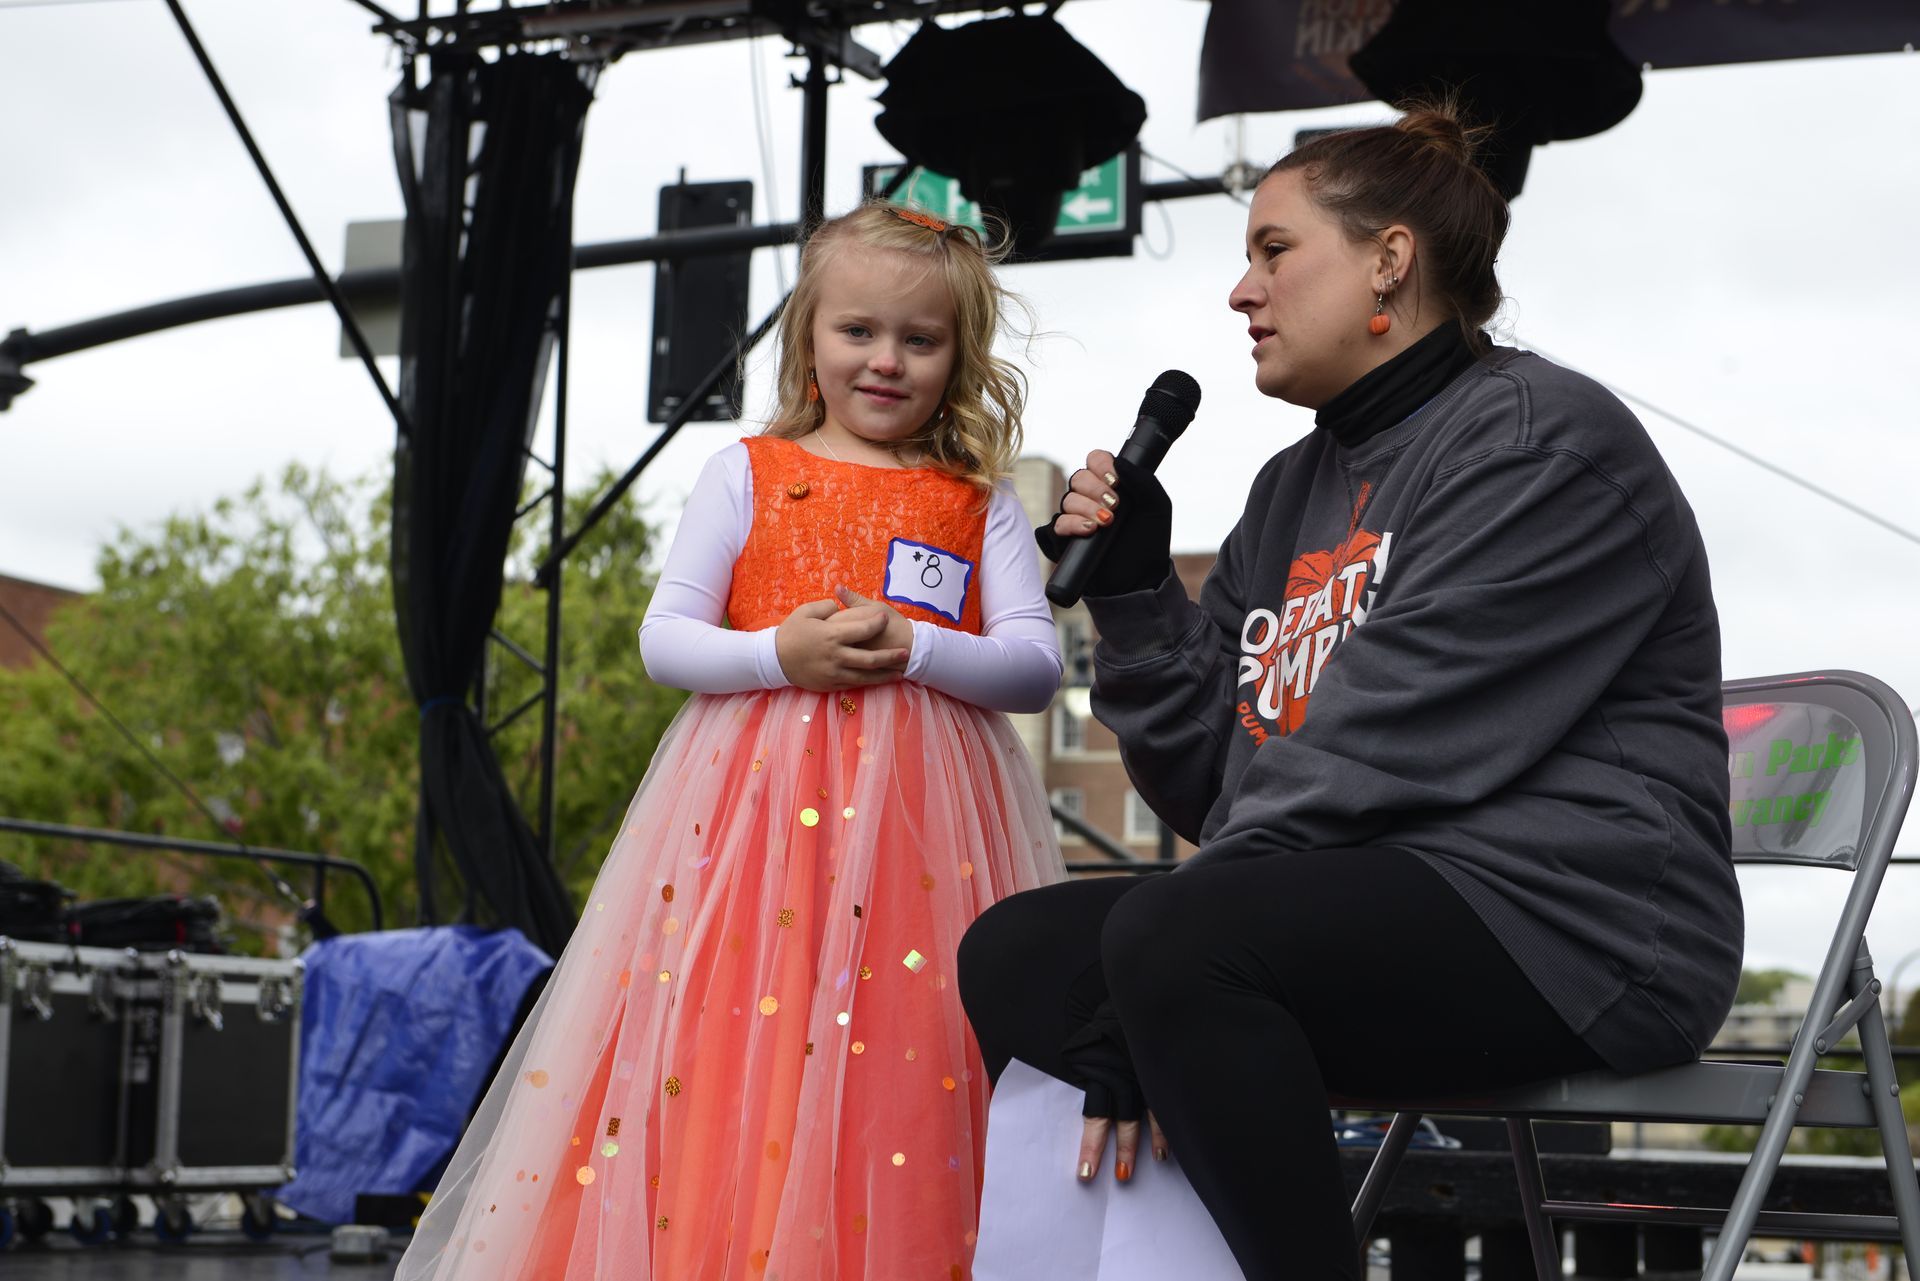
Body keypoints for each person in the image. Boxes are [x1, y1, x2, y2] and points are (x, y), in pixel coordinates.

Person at [956, 102, 1744, 1280]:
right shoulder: (1290, 487)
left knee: (1174, 940)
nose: (1242, 292)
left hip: (1576, 922)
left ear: (1389, 257)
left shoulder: (1541, 446)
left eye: (1274, 251)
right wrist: (1132, 600)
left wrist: (1146, 967)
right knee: (1015, 953)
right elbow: (1222, 791)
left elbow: (1372, 751)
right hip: (1354, 896)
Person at [398, 201, 1066, 1280]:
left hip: (921, 850)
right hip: (754, 836)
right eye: (859, 331)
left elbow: (1034, 668)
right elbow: (667, 639)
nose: (886, 360)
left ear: (960, 354)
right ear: (809, 335)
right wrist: (775, 658)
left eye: (921, 339)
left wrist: (922, 649)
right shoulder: (745, 472)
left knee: (903, 1061)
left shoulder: (975, 501)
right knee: (736, 1050)